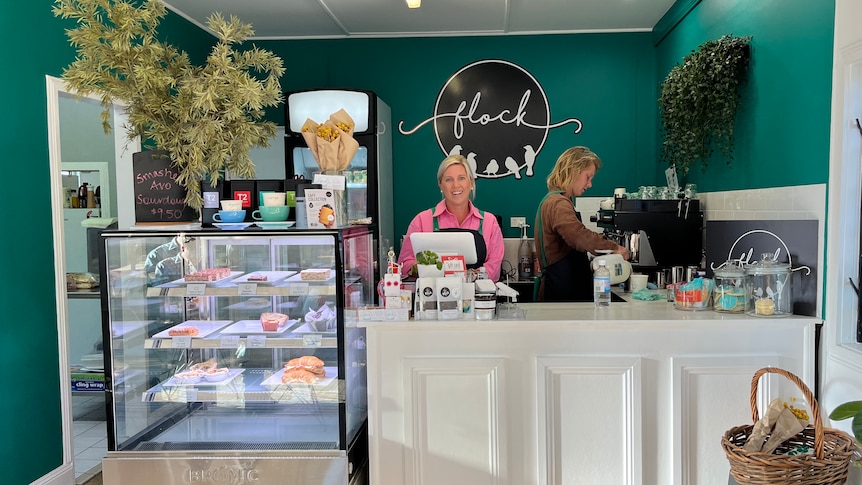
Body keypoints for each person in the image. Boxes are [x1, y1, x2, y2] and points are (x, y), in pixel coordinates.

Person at [534, 146, 629, 301]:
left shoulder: (557, 201)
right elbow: (579, 236)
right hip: (562, 294)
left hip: (565, 288)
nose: (590, 184)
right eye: (588, 177)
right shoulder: (558, 203)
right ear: (573, 171)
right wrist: (614, 248)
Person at [398, 154, 504, 281]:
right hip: (433, 298)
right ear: (440, 185)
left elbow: (494, 268)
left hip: (478, 298)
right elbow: (404, 265)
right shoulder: (421, 221)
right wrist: (426, 269)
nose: (455, 185)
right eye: (448, 179)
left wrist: (469, 276)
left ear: (471, 182)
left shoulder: (489, 222)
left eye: (461, 178)